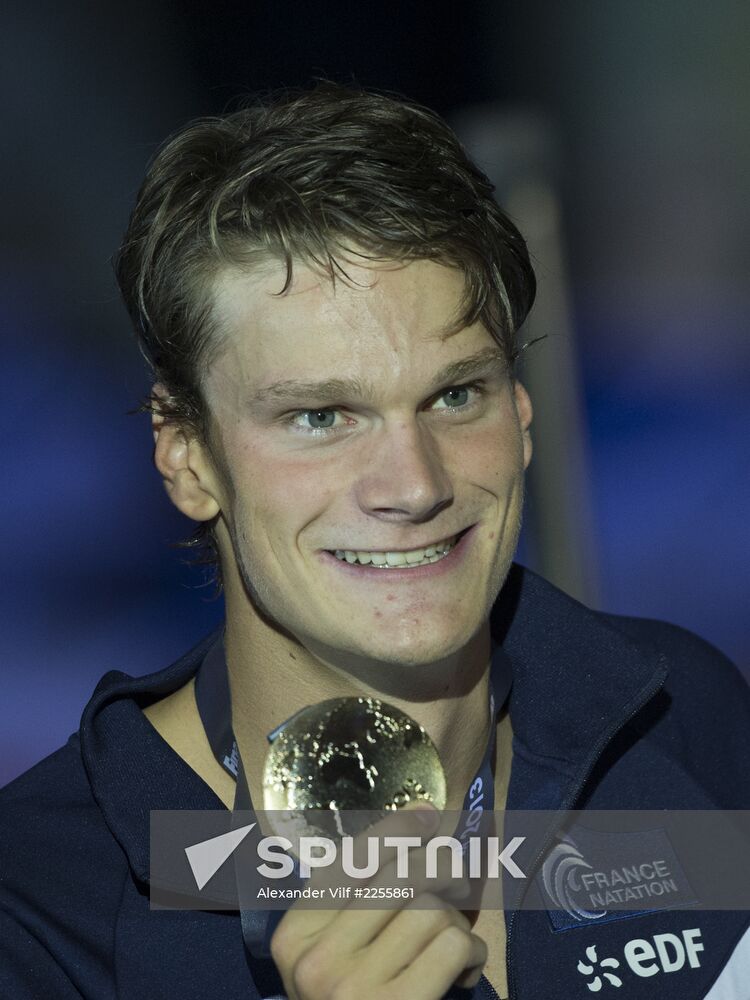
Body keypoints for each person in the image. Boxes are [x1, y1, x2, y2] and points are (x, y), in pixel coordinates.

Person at [1, 82, 748, 1000]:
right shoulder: (43, 901)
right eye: (320, 415)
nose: (415, 485)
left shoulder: (678, 717)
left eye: (454, 395)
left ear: (521, 415)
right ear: (187, 455)